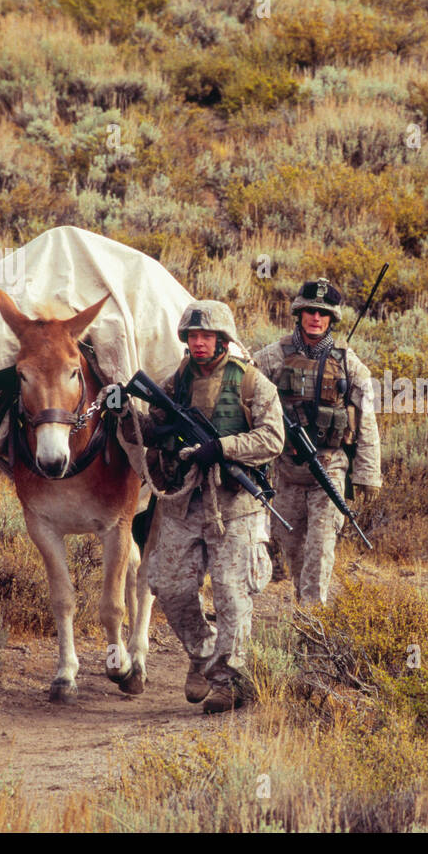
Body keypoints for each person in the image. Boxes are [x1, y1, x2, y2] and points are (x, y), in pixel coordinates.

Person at [108, 300, 284, 712]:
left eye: (207, 336)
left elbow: (272, 439)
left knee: (230, 592)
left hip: (235, 505)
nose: (200, 343)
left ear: (223, 340)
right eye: (193, 336)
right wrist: (123, 414)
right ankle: (204, 656)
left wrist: (221, 447)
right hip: (184, 500)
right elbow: (149, 430)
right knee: (167, 584)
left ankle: (229, 681)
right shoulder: (176, 383)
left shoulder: (251, 384)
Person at [253, 279, 381, 608]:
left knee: (320, 550)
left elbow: (366, 418)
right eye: (310, 311)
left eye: (323, 314)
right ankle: (305, 605)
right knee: (293, 549)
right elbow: (246, 395)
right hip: (289, 473)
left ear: (331, 319)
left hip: (330, 468)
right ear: (299, 313)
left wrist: (367, 473)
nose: (316, 318)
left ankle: (313, 622)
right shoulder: (271, 358)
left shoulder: (348, 363)